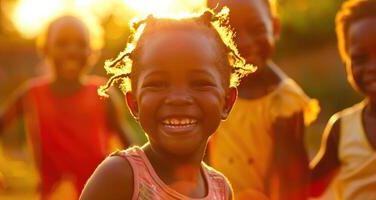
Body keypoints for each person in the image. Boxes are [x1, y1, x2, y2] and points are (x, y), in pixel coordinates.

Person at [80, 9, 259, 200]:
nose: (178, 98)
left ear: (227, 102)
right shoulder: (120, 177)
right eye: (157, 84)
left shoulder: (221, 189)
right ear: (134, 104)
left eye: (199, 83)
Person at [0, 15, 130, 199]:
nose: (72, 50)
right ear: (45, 50)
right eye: (62, 43)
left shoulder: (102, 94)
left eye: (81, 44)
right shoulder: (32, 94)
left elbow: (129, 148)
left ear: (92, 51)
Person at [206, 0, 320, 199]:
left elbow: (290, 178)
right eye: (229, 31)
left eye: (256, 29)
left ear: (274, 28)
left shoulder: (283, 101)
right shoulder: (216, 90)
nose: (244, 42)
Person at [310, 0, 376, 199]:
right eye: (360, 58)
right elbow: (306, 187)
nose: (372, 66)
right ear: (346, 63)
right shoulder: (341, 129)